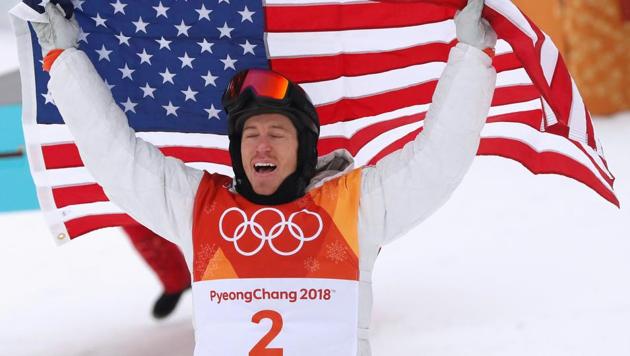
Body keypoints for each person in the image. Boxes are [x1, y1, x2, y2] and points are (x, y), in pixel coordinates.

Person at [28, 0, 497, 354]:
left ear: (305, 149)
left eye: (277, 133)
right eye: (250, 134)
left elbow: (437, 161)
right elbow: (115, 157)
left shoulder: (355, 208)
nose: (262, 145)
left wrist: (472, 56)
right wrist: (63, 62)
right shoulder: (200, 211)